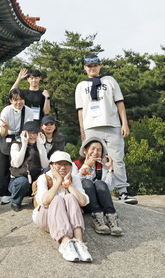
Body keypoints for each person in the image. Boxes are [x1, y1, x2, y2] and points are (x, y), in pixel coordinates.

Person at [75, 53, 137, 204]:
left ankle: (122, 191)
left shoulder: (109, 81)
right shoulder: (81, 86)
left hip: (112, 125)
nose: (92, 69)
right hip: (91, 127)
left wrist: (125, 123)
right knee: (92, 158)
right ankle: (93, 188)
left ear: (100, 66)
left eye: (95, 66)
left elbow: (120, 103)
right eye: (89, 66)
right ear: (85, 68)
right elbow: (80, 110)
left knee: (117, 159)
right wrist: (82, 130)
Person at [32, 151, 92, 263]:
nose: (63, 167)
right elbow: (44, 201)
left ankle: (79, 242)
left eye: (66, 164)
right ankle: (65, 242)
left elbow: (83, 202)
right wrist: (58, 181)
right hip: (47, 218)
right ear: (51, 166)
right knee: (56, 199)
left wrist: (69, 185)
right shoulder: (44, 178)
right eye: (59, 164)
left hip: (67, 219)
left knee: (70, 197)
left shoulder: (74, 178)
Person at [73, 137, 123, 236]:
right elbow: (73, 184)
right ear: (85, 150)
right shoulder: (75, 165)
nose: (95, 152)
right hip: (85, 203)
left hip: (101, 203)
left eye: (99, 150)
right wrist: (86, 167)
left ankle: (111, 217)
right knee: (86, 182)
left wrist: (110, 169)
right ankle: (97, 218)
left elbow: (109, 188)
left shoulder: (101, 166)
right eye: (93, 149)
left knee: (100, 183)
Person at [0, 89, 35, 204]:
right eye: (15, 100)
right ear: (10, 100)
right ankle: (4, 194)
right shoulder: (6, 111)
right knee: (3, 164)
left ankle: (19, 190)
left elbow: (27, 128)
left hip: (21, 136)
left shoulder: (28, 111)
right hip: (5, 136)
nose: (18, 102)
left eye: (21, 99)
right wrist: (6, 127)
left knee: (19, 163)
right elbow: (3, 133)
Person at [8, 121, 49, 212]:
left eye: (35, 133)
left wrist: (40, 146)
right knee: (22, 181)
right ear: (24, 133)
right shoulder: (16, 145)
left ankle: (38, 198)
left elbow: (45, 165)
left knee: (48, 170)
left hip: (34, 180)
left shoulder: (39, 145)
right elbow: (16, 164)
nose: (33, 136)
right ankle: (15, 202)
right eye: (30, 133)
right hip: (19, 181)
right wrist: (24, 145)